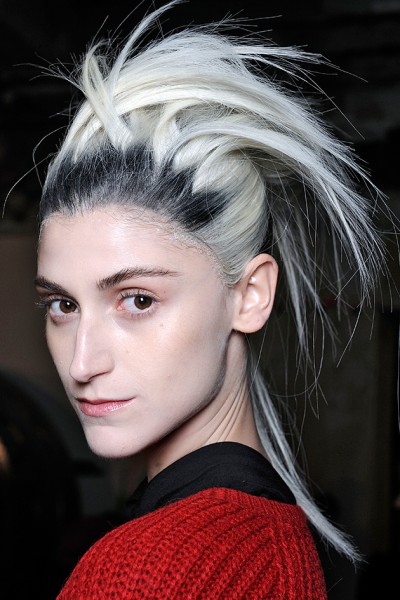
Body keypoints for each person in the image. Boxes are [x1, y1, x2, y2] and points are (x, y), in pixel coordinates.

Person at [33, 1, 394, 598]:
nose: (82, 362)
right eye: (63, 306)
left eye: (137, 300)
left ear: (250, 295)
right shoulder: (273, 541)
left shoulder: (148, 571)